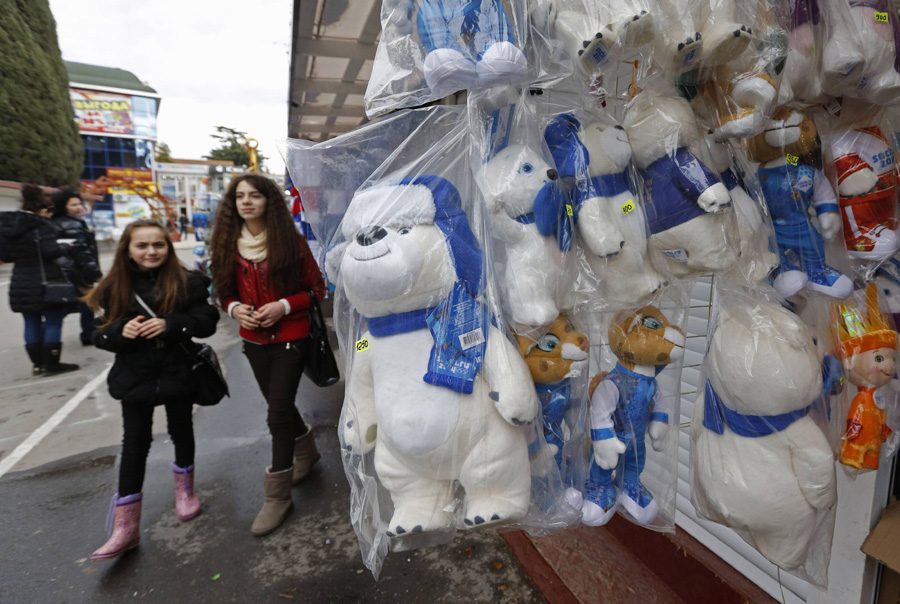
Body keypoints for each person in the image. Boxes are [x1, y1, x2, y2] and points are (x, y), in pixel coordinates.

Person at [84, 219, 219, 561]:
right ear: (127, 250)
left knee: (181, 429)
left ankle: (185, 494)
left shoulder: (188, 281)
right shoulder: (112, 287)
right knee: (135, 443)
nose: (151, 251)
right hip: (135, 377)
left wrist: (172, 324)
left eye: (158, 244)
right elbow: (96, 334)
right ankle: (125, 528)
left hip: (177, 372)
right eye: (141, 245)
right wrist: (119, 332)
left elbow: (207, 321)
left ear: (168, 247)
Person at [209, 174, 326, 536]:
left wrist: (283, 305)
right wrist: (234, 310)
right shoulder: (228, 245)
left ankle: (277, 496)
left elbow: (317, 290)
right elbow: (223, 293)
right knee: (282, 405)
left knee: (276, 413)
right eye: (240, 196)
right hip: (253, 340)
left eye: (254, 196)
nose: (246, 202)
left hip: (292, 336)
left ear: (268, 202)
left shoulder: (291, 242)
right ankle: (307, 452)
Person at [0, 185, 79, 376]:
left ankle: (37, 365)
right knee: (52, 321)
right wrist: (66, 247)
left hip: (20, 279)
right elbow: (50, 251)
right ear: (42, 207)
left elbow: (5, 255)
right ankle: (52, 364)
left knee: (30, 322)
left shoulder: (8, 225)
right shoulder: (41, 224)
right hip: (46, 280)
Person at [51, 188, 102, 346]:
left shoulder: (55, 222)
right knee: (87, 302)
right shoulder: (73, 224)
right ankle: (87, 335)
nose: (79, 207)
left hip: (63, 271)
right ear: (63, 206)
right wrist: (96, 273)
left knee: (67, 304)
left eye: (80, 203)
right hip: (78, 272)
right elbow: (82, 253)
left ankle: (48, 336)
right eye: (74, 205)